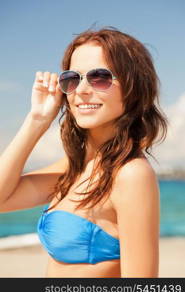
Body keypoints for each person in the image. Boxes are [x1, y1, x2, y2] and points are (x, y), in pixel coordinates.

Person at [0, 27, 168, 278]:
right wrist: (36, 120)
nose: (81, 89)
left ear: (133, 87)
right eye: (72, 78)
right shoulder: (74, 167)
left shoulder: (130, 175)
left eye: (100, 77)